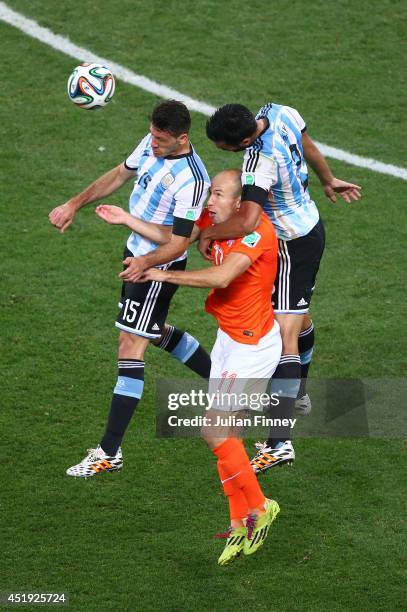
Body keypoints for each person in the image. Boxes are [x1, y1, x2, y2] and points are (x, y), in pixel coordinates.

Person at [48, 99, 211, 477]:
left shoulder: (194, 181)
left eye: (160, 139)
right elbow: (120, 173)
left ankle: (109, 451)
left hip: (157, 265)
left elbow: (177, 242)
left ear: (181, 138)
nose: (152, 143)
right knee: (152, 334)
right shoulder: (153, 142)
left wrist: (143, 259)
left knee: (130, 344)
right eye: (152, 135)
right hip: (136, 254)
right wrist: (75, 203)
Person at [203, 103, 362, 473]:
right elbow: (309, 146)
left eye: (227, 148)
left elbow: (249, 220)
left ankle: (279, 442)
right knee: (299, 317)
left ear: (244, 140)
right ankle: (299, 394)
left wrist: (209, 232)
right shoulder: (280, 111)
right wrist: (327, 178)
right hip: (308, 224)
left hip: (290, 244)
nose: (226, 153)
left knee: (284, 332)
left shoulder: (259, 162)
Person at [141, 169, 281, 565]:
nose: (209, 201)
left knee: (213, 431)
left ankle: (259, 507)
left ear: (240, 204)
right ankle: (241, 522)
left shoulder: (258, 233)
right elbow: (172, 234)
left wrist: (162, 273)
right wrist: (125, 219)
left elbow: (222, 277)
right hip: (229, 341)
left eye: (217, 195)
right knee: (226, 435)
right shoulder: (215, 221)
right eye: (210, 193)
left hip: (252, 348)